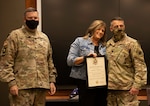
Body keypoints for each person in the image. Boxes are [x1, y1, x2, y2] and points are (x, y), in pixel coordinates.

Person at [0, 7, 57, 106]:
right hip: (21, 87)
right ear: (24, 19)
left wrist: (51, 81)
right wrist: (11, 83)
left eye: (35, 18)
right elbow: (6, 62)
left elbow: (49, 61)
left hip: (41, 86)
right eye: (30, 18)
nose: (33, 20)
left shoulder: (44, 38)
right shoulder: (15, 36)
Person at [106, 16, 147, 106]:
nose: (119, 28)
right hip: (110, 90)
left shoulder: (132, 44)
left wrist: (137, 86)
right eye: (116, 26)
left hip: (127, 90)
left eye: (121, 26)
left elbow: (140, 66)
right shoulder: (108, 45)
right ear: (111, 29)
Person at [67, 20, 107, 106]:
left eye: (103, 31)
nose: (100, 32)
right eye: (98, 29)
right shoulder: (80, 41)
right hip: (84, 82)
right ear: (93, 29)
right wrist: (85, 58)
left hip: (101, 83)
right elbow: (70, 61)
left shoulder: (105, 46)